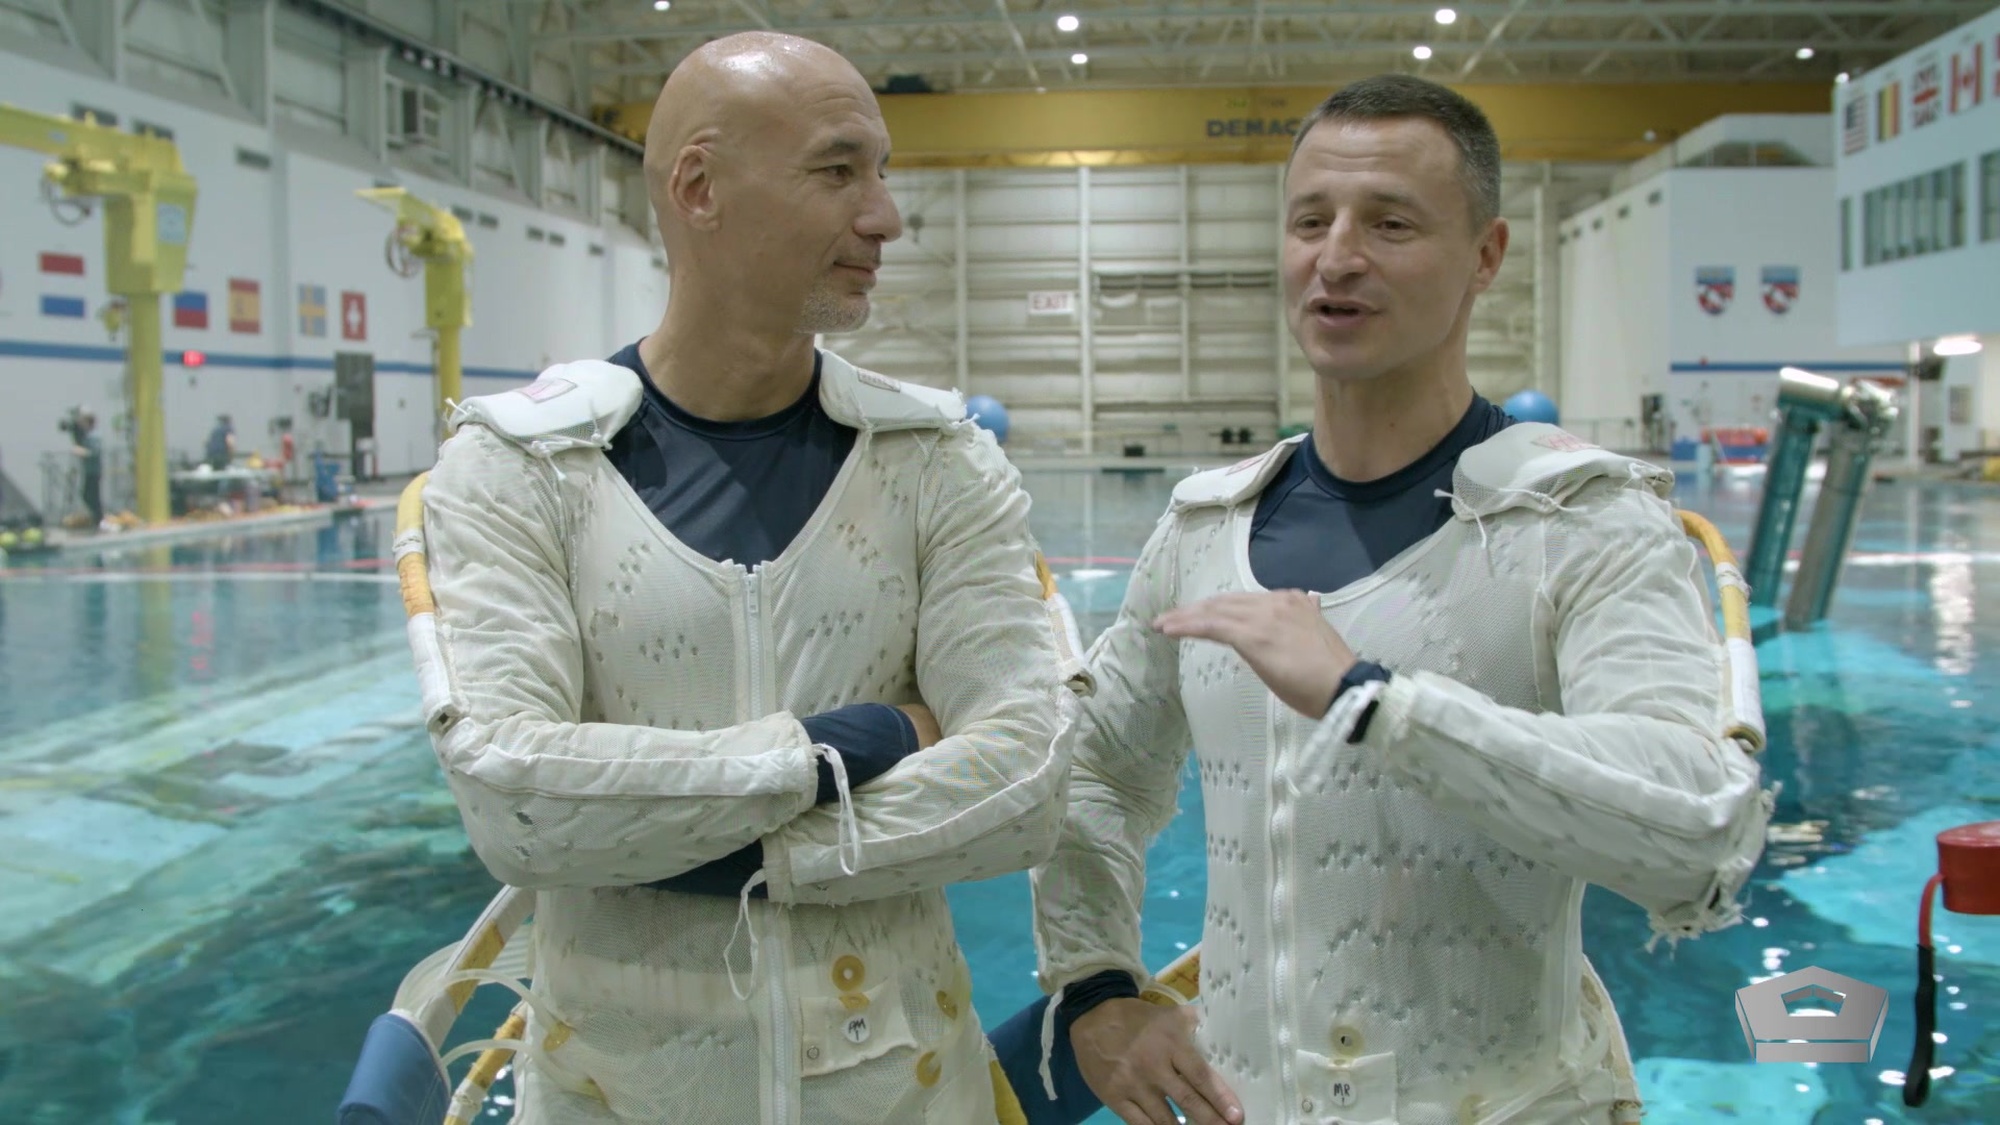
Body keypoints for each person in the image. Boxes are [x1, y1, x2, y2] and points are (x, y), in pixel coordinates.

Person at [1012, 74, 1772, 1125]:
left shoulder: (1579, 522)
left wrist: (1377, 704)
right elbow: (1092, 777)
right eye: (1309, 221)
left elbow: (1699, 833)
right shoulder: (1201, 532)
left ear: (1485, 256)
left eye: (1390, 223)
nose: (1336, 257)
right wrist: (1095, 991)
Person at [418, 31, 1080, 1125]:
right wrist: (845, 745)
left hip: (904, 1093)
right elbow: (517, 805)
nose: (884, 217)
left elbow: (1026, 787)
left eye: (881, 173)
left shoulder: (938, 461)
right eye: (837, 170)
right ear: (698, 187)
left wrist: (661, 848)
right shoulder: (516, 467)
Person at [69, 410, 103, 528]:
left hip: (94, 471)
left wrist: (81, 452)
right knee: (87, 495)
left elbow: (94, 452)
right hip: (89, 471)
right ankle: (96, 518)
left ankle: (99, 519)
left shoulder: (94, 437)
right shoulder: (87, 436)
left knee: (91, 496)